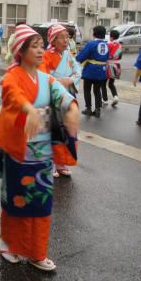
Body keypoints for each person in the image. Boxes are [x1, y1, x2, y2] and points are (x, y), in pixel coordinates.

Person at [0, 24, 79, 272]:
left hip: (43, 155)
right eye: (33, 46)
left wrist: (72, 109)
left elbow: (62, 98)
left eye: (40, 45)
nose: (39, 50)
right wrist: (28, 109)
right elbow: (13, 95)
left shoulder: (47, 79)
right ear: (20, 51)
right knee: (17, 202)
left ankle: (37, 252)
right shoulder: (11, 77)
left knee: (42, 203)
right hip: (18, 151)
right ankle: (8, 245)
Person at [39, 24, 81, 177]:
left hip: (68, 95)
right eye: (62, 37)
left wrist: (69, 80)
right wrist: (58, 82)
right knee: (52, 130)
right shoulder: (46, 55)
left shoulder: (69, 55)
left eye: (67, 37)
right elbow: (43, 76)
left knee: (67, 129)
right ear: (53, 40)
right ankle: (49, 162)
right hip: (52, 96)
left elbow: (78, 72)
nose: (66, 41)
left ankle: (61, 162)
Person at [76, 25, 109, 117]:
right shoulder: (106, 45)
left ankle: (88, 108)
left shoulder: (91, 44)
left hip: (90, 70)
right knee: (97, 90)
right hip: (102, 70)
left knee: (87, 89)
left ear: (94, 33)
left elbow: (81, 57)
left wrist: (76, 58)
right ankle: (98, 109)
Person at [103, 29, 122, 107]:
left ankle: (105, 99)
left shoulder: (109, 44)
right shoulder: (120, 45)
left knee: (103, 83)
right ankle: (115, 96)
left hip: (109, 65)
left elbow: (105, 55)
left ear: (111, 37)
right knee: (111, 84)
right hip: (117, 65)